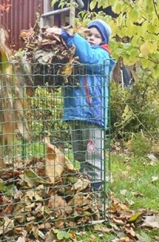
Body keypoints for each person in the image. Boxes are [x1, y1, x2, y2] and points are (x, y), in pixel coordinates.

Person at [47, 20, 115, 191]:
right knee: (80, 155)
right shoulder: (76, 55)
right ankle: (85, 189)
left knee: (93, 157)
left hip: (92, 114)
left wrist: (69, 35)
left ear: (104, 40)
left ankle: (97, 194)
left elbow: (88, 57)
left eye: (97, 36)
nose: (92, 38)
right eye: (89, 34)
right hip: (75, 113)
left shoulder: (102, 56)